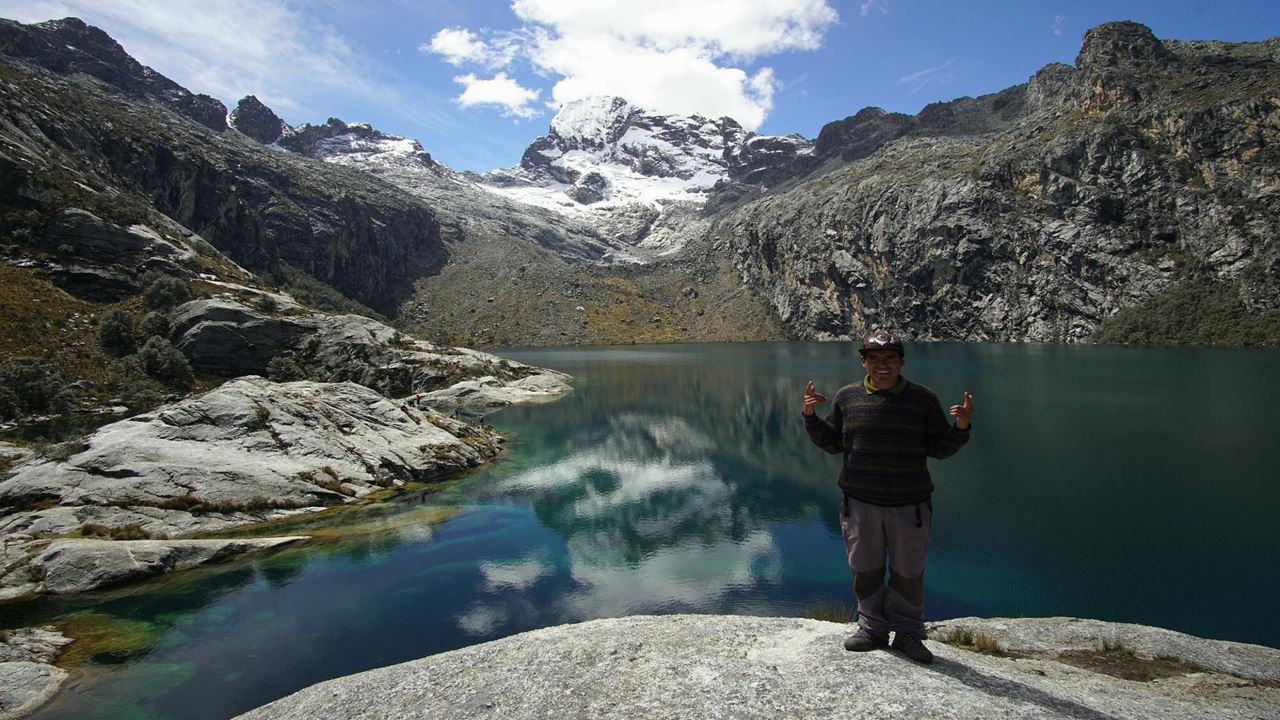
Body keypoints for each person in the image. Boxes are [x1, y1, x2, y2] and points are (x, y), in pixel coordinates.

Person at [802, 329, 972, 664]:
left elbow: (939, 448)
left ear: (901, 362)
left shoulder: (923, 399)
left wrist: (961, 428)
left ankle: (908, 633)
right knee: (864, 568)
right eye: (875, 359)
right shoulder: (847, 397)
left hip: (910, 504)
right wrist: (810, 418)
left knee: (908, 572)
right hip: (860, 503)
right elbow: (833, 442)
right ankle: (872, 628)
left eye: (891, 358)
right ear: (863, 362)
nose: (883, 365)